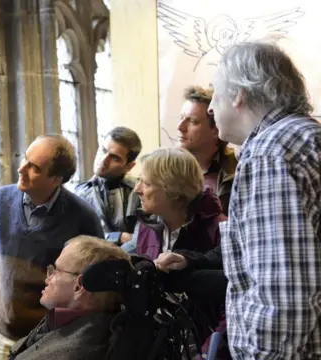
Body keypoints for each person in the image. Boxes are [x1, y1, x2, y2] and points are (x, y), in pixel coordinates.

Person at [209, 41, 321, 358]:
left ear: (238, 95)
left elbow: (285, 293)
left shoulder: (270, 153)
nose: (210, 107)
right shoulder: (304, 136)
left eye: (216, 93)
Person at [0, 134, 104, 360]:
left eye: (35, 168)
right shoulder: (1, 201)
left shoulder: (82, 217)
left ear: (56, 179)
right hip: (5, 334)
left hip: (52, 339)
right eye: (25, 159)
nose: (21, 169)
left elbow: (92, 285)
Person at [8, 236, 129, 360]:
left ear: (79, 286)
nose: (47, 279)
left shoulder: (77, 352)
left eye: (56, 271)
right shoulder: (102, 328)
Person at [132, 148, 224, 261]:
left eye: (146, 183)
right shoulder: (147, 225)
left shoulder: (219, 230)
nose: (137, 189)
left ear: (175, 190)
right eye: (138, 180)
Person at [75, 127, 142, 252]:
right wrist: (119, 237)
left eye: (115, 158)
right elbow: (80, 240)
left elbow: (144, 239)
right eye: (103, 150)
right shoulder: (80, 193)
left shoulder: (141, 191)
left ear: (129, 166)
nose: (103, 160)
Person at [177, 85, 237, 215]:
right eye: (181, 118)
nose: (180, 127)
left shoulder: (237, 170)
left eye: (192, 121)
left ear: (216, 130)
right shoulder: (169, 169)